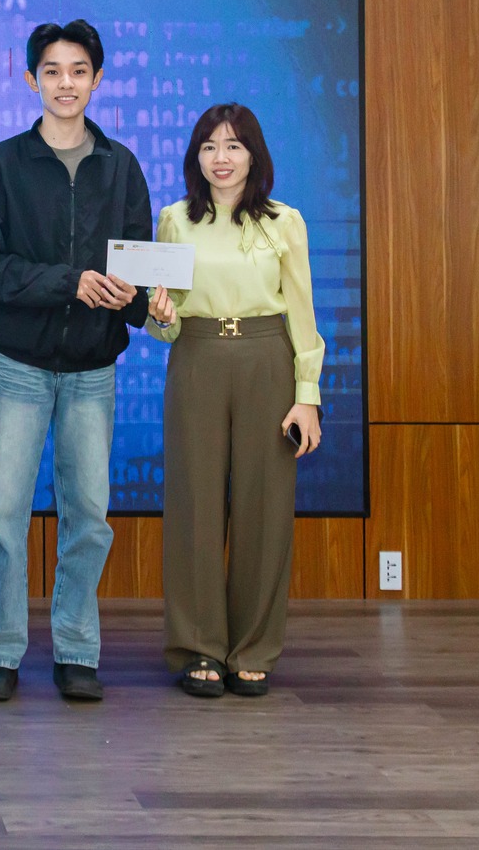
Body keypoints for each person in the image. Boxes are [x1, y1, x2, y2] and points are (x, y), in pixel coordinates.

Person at [0, 20, 151, 704]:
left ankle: (76, 649)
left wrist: (139, 299)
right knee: (6, 516)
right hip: (17, 363)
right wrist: (70, 282)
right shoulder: (1, 165)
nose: (65, 83)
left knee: (89, 515)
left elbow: (139, 264)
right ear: (31, 80)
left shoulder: (121, 166)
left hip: (93, 368)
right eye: (52, 70)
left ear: (96, 79)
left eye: (78, 71)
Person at [144, 102, 324, 699]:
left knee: (265, 507)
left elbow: (303, 314)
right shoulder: (174, 220)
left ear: (254, 155)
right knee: (193, 504)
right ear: (195, 157)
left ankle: (253, 649)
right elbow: (166, 323)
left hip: (266, 359)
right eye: (209, 147)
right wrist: (159, 315)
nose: (221, 158)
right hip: (195, 358)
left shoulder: (284, 222)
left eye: (233, 146)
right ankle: (199, 647)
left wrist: (307, 395)